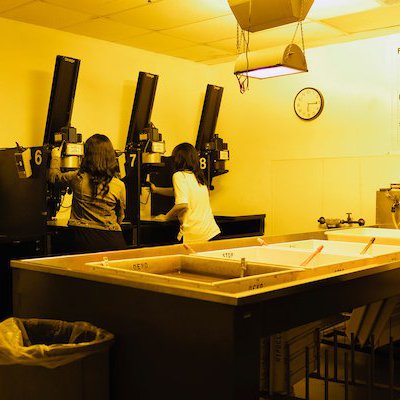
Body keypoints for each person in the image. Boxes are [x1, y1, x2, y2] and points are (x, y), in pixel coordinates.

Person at [49, 133, 127, 253]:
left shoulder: (78, 178)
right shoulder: (119, 185)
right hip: (114, 241)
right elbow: (121, 216)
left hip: (85, 241)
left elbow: (54, 178)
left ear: (88, 155)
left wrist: (55, 157)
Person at [151, 142, 220, 244]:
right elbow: (178, 193)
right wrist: (156, 189)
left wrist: (165, 217)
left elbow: (182, 205)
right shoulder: (198, 177)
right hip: (211, 232)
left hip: (195, 235)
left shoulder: (179, 176)